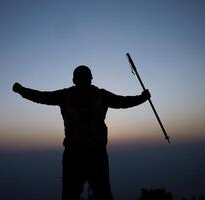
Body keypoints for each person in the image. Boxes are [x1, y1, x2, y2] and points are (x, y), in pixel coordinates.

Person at [12, 65, 151, 200]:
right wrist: (142, 98)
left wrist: (21, 90)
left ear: (74, 80)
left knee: (71, 195)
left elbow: (41, 97)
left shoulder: (65, 95)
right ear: (91, 78)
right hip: (96, 155)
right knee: (102, 194)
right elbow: (123, 102)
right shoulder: (101, 95)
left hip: (74, 155)